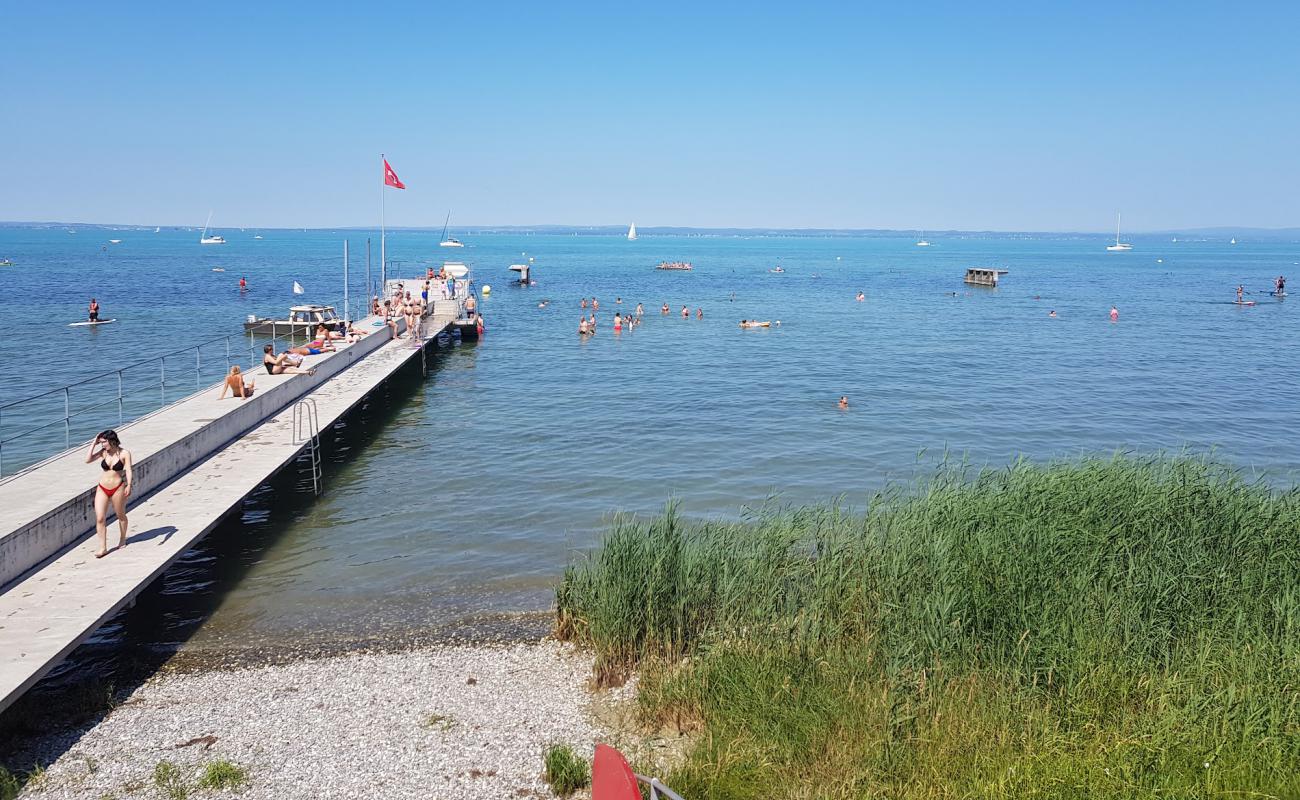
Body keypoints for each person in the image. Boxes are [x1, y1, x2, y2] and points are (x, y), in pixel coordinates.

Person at [86, 429, 132, 558]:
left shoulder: (124, 453)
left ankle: (122, 538)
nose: (102, 445)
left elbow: (128, 470)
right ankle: (103, 547)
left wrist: (129, 485)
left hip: (118, 487)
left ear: (112, 440)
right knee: (100, 518)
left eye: (104, 442)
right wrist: (93, 444)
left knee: (120, 515)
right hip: (102, 488)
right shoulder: (103, 453)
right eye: (100, 443)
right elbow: (88, 460)